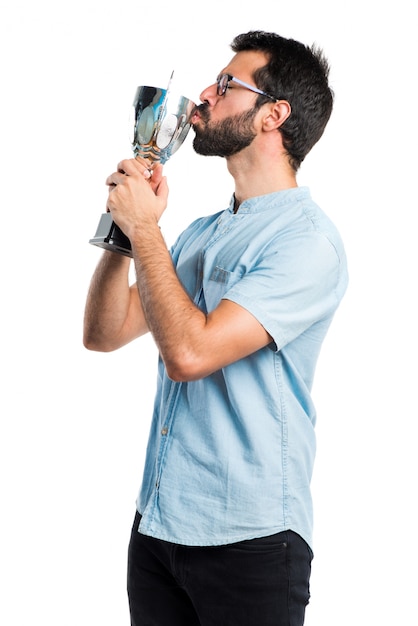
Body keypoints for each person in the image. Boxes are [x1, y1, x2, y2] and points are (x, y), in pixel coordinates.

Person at [83, 30, 348, 626]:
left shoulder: (307, 243)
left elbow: (189, 354)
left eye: (228, 84)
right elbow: (103, 333)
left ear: (272, 115)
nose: (206, 93)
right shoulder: (202, 232)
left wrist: (148, 230)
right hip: (158, 527)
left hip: (251, 540)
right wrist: (125, 232)